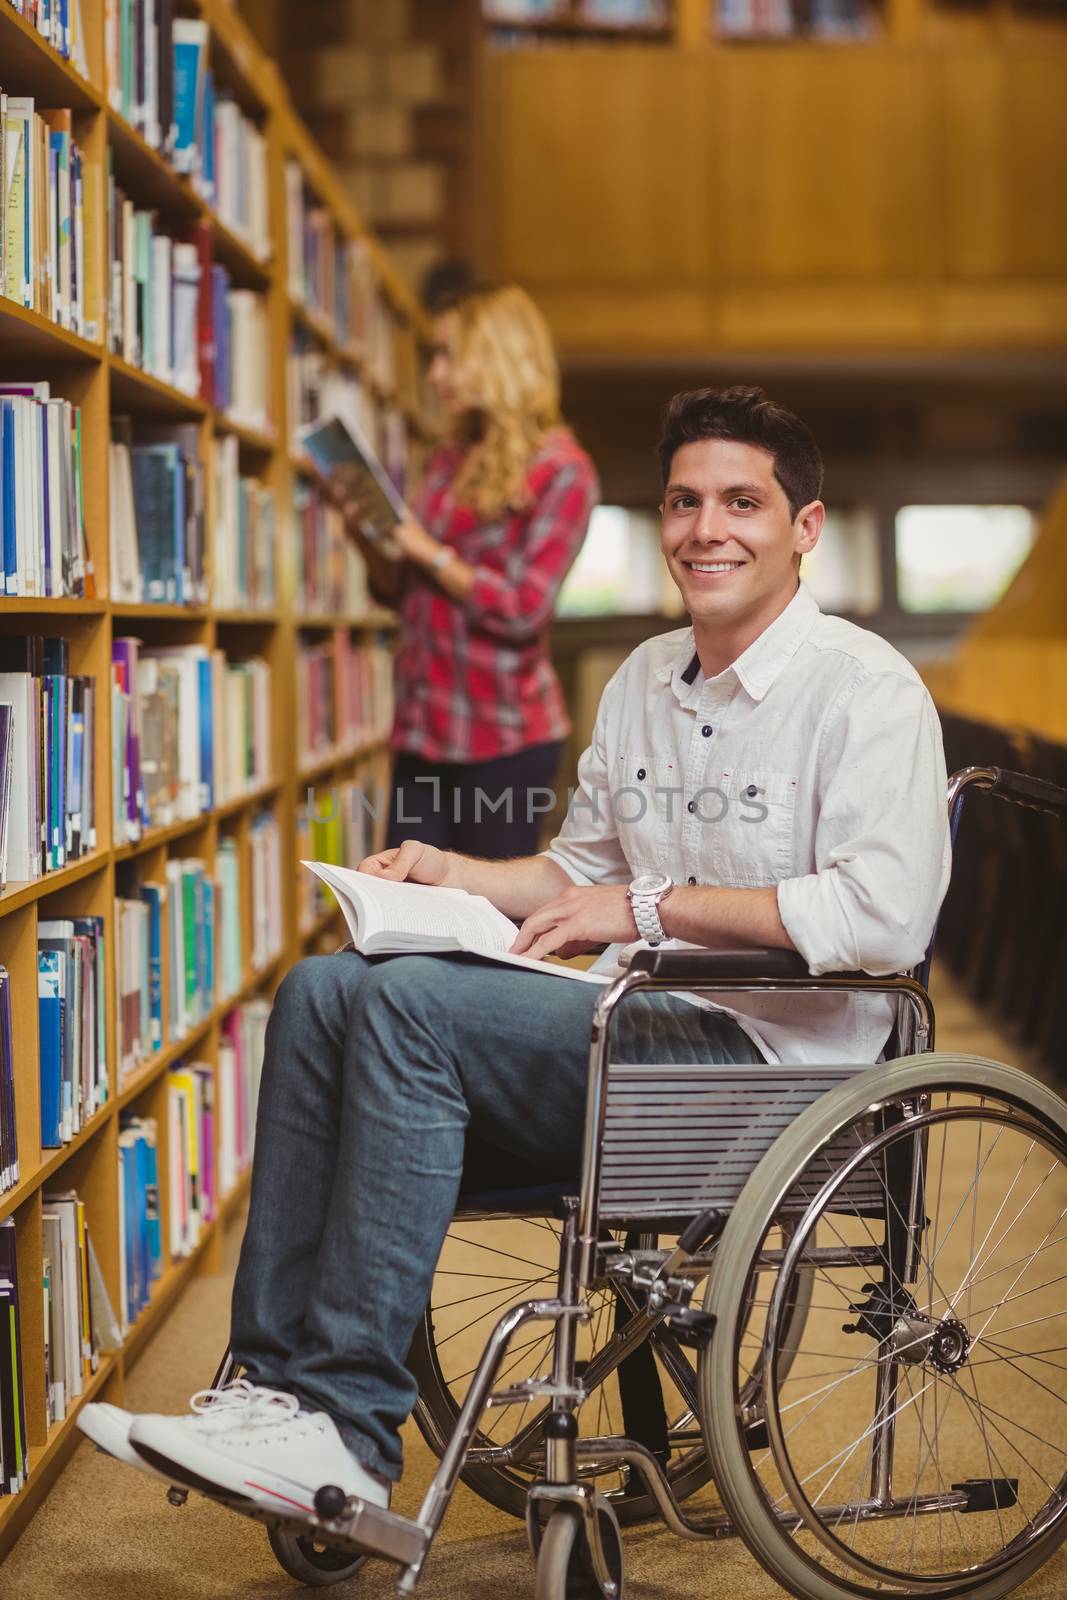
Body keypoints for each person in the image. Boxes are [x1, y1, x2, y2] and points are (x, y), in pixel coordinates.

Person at [79, 386, 951, 1534]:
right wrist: (452, 870)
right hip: (633, 1027)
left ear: (804, 527)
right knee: (326, 986)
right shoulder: (642, 678)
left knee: (407, 1013)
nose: (706, 528)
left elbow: (881, 917)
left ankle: (339, 1425)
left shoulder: (865, 689)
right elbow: (573, 872)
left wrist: (644, 904)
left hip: (774, 1066)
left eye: (742, 502)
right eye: (684, 501)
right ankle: (267, 1389)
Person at [340, 282, 599, 858]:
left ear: (498, 357)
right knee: (400, 909)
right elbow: (402, 594)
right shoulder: (448, 458)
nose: (436, 374)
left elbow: (524, 609)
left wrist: (426, 549)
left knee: (486, 926)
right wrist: (367, 535)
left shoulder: (563, 471)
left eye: (448, 356)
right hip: (421, 728)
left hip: (502, 738)